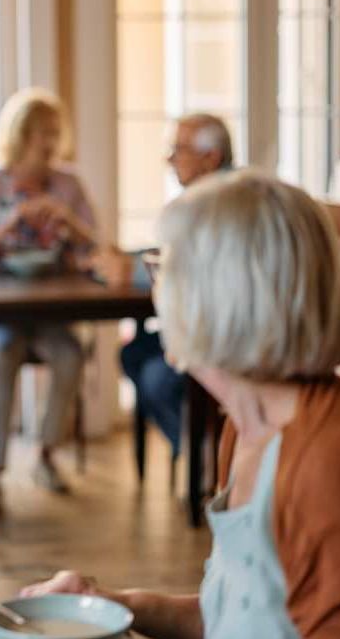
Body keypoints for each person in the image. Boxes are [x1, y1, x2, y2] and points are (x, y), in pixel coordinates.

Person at [22, 171, 340, 638]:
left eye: (169, 271)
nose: (158, 289)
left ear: (224, 300)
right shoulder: (245, 428)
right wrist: (106, 605)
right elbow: (234, 615)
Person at [0, 88, 96, 493]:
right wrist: (7, 225)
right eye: (41, 134)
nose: (50, 143)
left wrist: (69, 219)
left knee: (71, 355)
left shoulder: (68, 186)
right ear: (20, 137)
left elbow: (96, 245)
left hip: (51, 315)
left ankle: (47, 455)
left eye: (55, 132)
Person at [90, 114, 232, 473]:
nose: (170, 158)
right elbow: (177, 253)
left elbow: (195, 269)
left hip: (225, 335)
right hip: (202, 326)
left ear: (211, 157)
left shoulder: (227, 203)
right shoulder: (204, 199)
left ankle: (206, 458)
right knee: (134, 354)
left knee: (156, 374)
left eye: (179, 149)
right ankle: (196, 449)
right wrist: (127, 259)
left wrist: (130, 268)